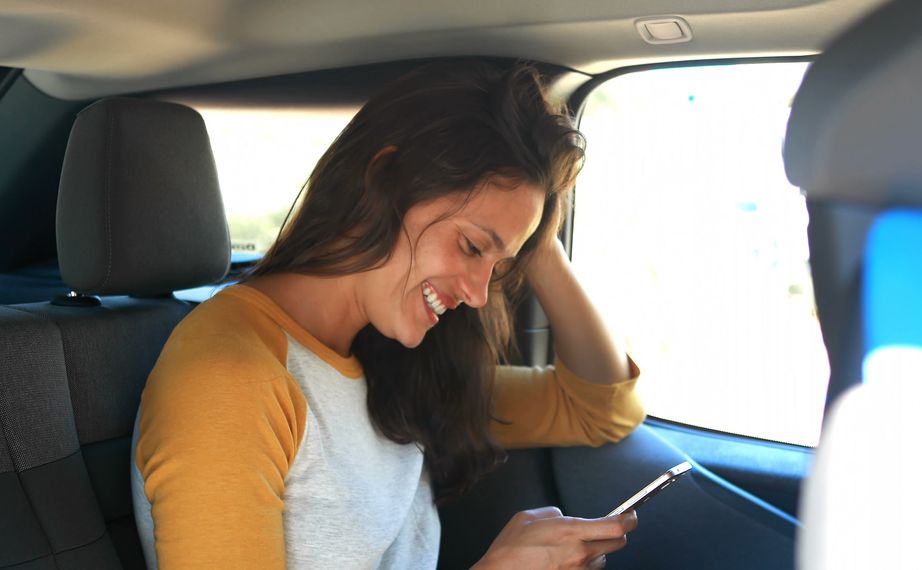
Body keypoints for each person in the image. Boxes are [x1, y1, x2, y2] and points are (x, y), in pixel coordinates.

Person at [130, 61, 645, 569]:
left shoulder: (392, 360)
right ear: (385, 183)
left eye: (499, 265)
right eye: (469, 246)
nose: (478, 295)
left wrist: (530, 233)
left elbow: (600, 407)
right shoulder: (229, 381)